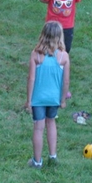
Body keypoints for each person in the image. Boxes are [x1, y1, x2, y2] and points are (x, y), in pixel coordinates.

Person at [25, 21, 70, 168]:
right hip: (54, 99)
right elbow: (66, 81)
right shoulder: (64, 56)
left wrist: (29, 100)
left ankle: (37, 162)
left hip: (38, 99)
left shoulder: (36, 55)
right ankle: (53, 156)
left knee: (39, 127)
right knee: (51, 123)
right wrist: (62, 100)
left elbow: (31, 78)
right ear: (60, 37)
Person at [40, 0, 81, 99]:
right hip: (52, 24)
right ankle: (44, 73)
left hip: (68, 25)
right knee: (48, 48)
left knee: (64, 50)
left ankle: (60, 79)